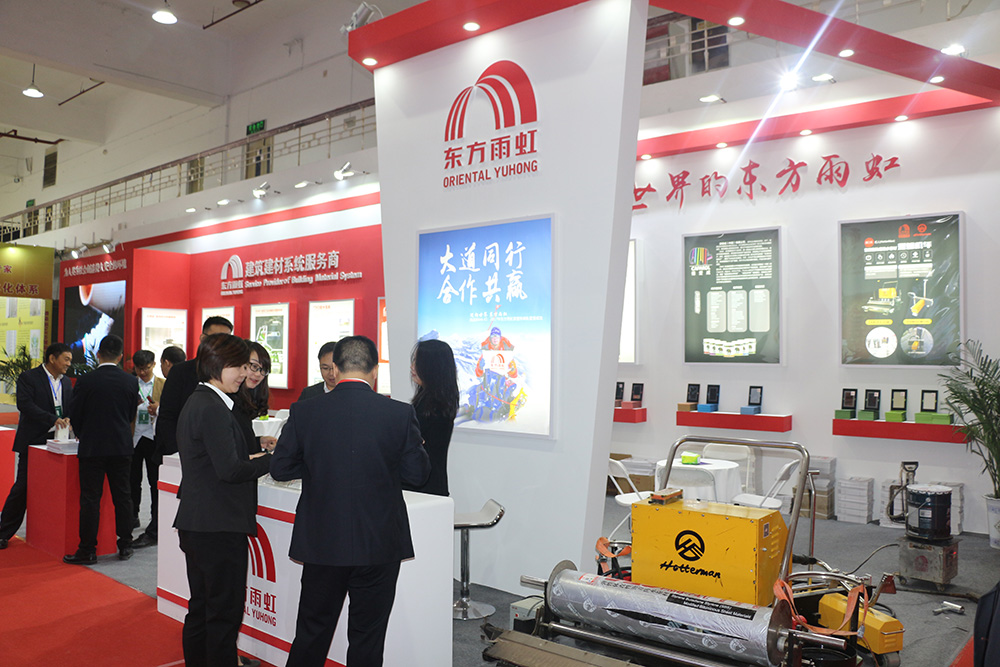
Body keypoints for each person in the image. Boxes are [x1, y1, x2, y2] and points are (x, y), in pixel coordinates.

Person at [271, 336, 429, 667]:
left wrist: (316, 465)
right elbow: (417, 474)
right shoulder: (399, 414)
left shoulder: (306, 410)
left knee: (312, 631)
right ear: (374, 370)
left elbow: (280, 468)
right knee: (368, 638)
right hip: (379, 542)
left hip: (322, 541)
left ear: (337, 367)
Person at [173, 334, 271, 667]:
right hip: (218, 526)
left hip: (200, 522)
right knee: (222, 613)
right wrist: (271, 461)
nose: (244, 374)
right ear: (218, 365)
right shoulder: (213, 407)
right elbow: (230, 470)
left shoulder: (200, 401)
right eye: (239, 366)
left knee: (202, 607)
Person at [64, 335, 139, 564]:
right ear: (120, 356)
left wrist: (83, 433)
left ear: (98, 354)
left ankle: (87, 550)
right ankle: (125, 545)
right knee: (123, 497)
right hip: (121, 446)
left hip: (92, 446)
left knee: (90, 499)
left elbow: (75, 413)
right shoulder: (130, 381)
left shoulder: (86, 380)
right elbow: (130, 414)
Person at [0, 342, 74, 550]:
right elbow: (25, 405)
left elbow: (69, 406)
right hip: (33, 440)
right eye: (66, 359)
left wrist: (69, 418)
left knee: (54, 489)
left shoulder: (66, 382)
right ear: (52, 358)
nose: (69, 364)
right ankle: (3, 532)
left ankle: (47, 533)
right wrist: (52, 419)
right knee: (23, 487)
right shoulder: (29, 378)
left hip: (59, 441)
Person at [155, 316, 233, 458]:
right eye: (215, 339)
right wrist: (178, 452)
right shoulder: (181, 372)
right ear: (203, 338)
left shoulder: (231, 375)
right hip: (182, 452)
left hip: (219, 452)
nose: (221, 345)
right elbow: (168, 416)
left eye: (226, 340)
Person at [404, 339, 459, 497]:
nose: (412, 367)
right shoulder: (441, 401)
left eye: (417, 362)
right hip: (430, 486)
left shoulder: (433, 407)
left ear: (431, 366)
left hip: (424, 489)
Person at [130, 349, 164, 548]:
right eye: (138, 369)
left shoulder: (163, 385)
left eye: (146, 368)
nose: (142, 372)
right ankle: (132, 515)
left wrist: (158, 408)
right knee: (132, 479)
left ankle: (155, 518)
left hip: (153, 437)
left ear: (153, 365)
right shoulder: (129, 384)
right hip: (133, 436)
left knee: (154, 480)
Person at [233, 340, 276, 454]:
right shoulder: (228, 402)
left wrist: (258, 442)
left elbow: (240, 443)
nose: (258, 374)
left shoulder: (247, 400)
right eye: (254, 366)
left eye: (263, 370)